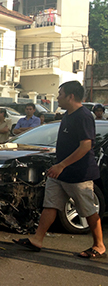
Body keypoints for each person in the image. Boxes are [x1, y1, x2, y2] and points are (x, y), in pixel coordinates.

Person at [13, 81, 106, 259]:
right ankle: (37, 240)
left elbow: (86, 146)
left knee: (87, 211)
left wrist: (62, 165)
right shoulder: (67, 115)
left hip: (78, 174)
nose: (58, 98)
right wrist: (59, 165)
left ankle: (99, 245)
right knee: (51, 205)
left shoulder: (84, 116)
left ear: (71, 96)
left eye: (60, 94)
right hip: (59, 172)